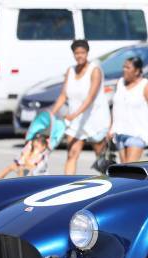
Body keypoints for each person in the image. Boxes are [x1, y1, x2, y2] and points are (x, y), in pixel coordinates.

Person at [50, 39, 110, 175]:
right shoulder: (70, 71)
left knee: (100, 157)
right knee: (72, 154)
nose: (80, 56)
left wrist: (73, 115)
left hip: (94, 119)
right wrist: (51, 113)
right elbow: (63, 95)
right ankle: (67, 187)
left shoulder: (94, 70)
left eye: (82, 52)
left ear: (87, 53)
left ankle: (108, 185)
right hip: (75, 121)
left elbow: (90, 98)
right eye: (76, 53)